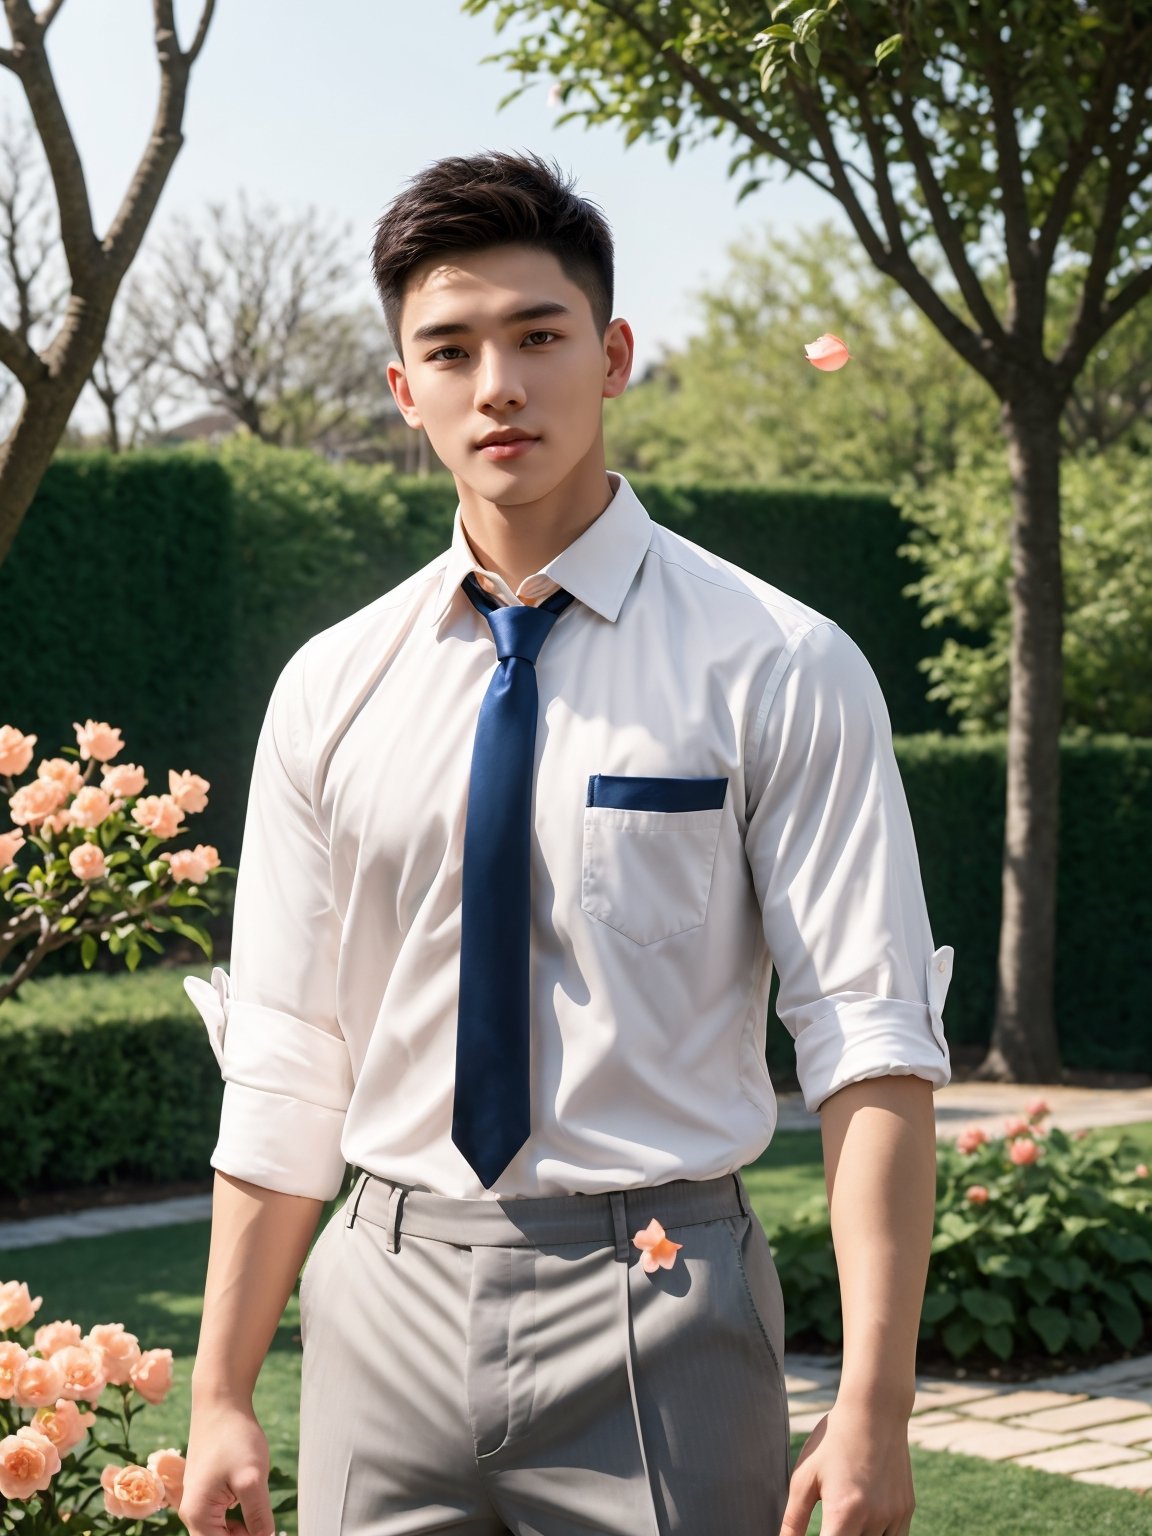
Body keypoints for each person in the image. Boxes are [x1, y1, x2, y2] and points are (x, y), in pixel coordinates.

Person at [179, 148, 953, 1536]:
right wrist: (222, 1389)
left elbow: (870, 1039)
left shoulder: (777, 665)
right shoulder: (329, 688)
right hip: (381, 1300)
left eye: (539, 337)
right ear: (403, 391)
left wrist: (875, 1407)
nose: (501, 386)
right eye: (452, 349)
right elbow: (291, 1054)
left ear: (613, 355)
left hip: (659, 1289)